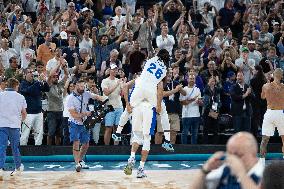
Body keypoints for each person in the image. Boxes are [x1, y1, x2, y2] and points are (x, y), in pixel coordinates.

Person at [191, 132, 264, 189]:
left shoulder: (265, 175)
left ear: (253, 154)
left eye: (238, 155)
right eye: (230, 155)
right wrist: (205, 170)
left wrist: (241, 173)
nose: (233, 159)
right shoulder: (225, 172)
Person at [66, 79, 106, 172]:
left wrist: (104, 98)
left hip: (84, 122)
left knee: (86, 144)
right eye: (81, 86)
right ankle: (77, 164)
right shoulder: (70, 98)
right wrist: (86, 114)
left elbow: (96, 96)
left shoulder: (86, 93)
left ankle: (80, 160)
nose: (83, 88)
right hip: (74, 123)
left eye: (84, 86)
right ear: (76, 85)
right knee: (76, 142)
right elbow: (74, 115)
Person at [0, 78, 27, 179]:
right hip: (15, 125)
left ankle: (0, 169)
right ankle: (18, 167)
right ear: (16, 86)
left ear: (7, 85)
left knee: (1, 147)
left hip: (2, 124)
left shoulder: (0, 95)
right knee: (15, 148)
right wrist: (21, 121)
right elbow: (24, 113)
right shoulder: (20, 97)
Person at [260, 68, 284, 164]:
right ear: (281, 76)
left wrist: (267, 84)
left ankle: (261, 162)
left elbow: (262, 97)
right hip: (280, 113)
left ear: (273, 75)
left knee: (265, 139)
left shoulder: (266, 86)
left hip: (269, 113)